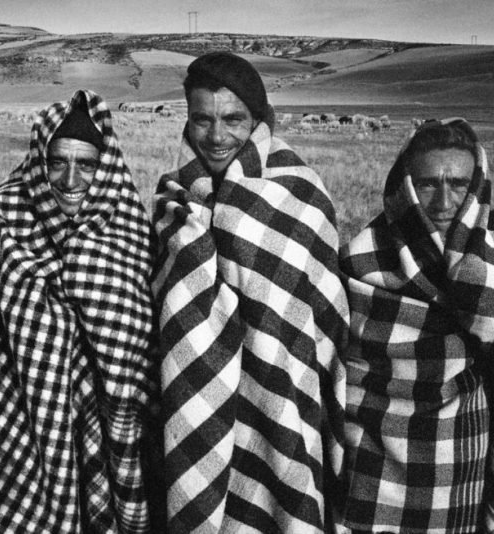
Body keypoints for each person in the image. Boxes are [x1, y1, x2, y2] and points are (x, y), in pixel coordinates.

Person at [152, 51, 348, 532]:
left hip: (280, 393)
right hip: (192, 395)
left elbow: (320, 313)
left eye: (233, 119)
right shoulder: (173, 197)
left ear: (259, 120)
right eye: (202, 119)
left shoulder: (299, 192)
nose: (217, 136)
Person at [339, 118, 494, 532]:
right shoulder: (362, 261)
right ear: (405, 187)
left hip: (461, 457)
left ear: (476, 188)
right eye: (428, 184)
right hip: (375, 457)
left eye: (457, 184)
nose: (443, 200)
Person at [0, 89, 160, 533]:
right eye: (58, 162)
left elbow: (141, 342)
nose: (70, 179)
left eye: (86, 164)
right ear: (39, 161)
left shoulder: (129, 229)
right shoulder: (3, 217)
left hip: (112, 427)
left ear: (104, 169)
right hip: (22, 426)